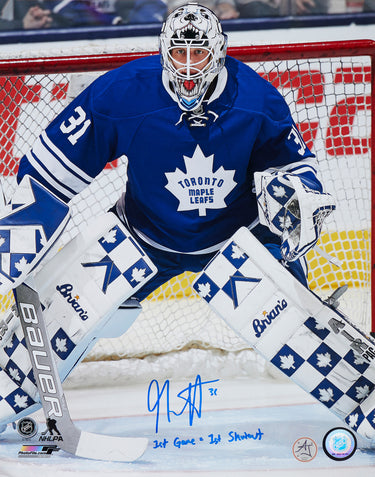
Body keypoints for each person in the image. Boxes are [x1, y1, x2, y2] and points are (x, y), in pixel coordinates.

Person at [16, 2, 332, 301]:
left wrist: (299, 195)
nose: (190, 66)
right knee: (62, 313)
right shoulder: (124, 92)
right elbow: (48, 170)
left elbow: (297, 166)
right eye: (180, 53)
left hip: (239, 238)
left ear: (219, 54)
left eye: (200, 53)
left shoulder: (256, 100)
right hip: (143, 236)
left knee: (299, 331)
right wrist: (20, 225)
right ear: (165, 51)